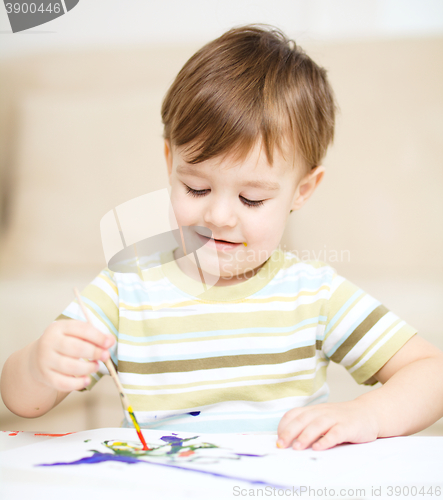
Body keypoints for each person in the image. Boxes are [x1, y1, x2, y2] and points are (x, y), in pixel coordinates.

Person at [1, 25, 443, 452]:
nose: (218, 216)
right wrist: (41, 367)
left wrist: (368, 414)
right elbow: (22, 400)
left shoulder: (313, 294)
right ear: (170, 161)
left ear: (302, 191)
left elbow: (431, 372)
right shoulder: (124, 292)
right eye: (196, 188)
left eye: (251, 198)